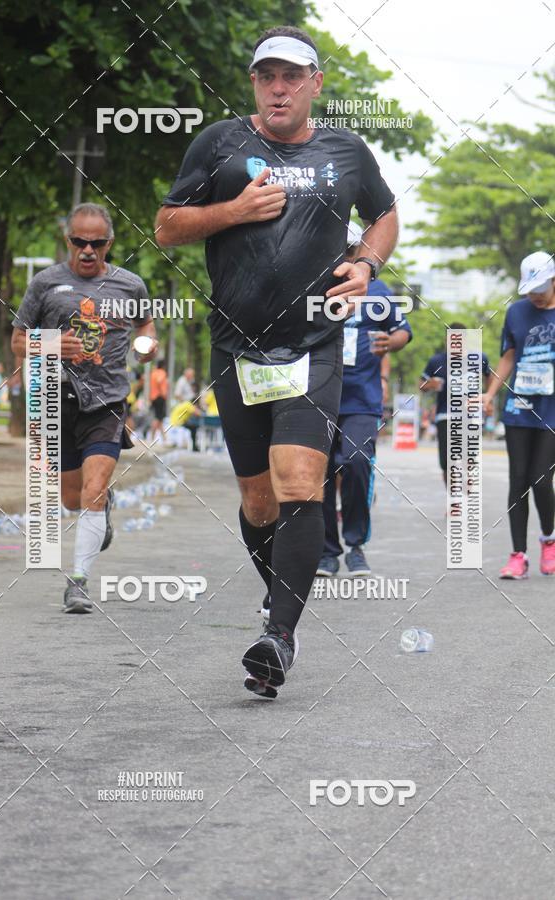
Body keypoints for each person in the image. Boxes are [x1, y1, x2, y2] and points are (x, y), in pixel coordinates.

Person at [155, 25, 398, 697]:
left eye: (293, 76)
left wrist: (366, 265)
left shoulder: (346, 151)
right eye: (268, 77)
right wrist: (233, 210)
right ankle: (280, 599)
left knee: (299, 482)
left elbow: (384, 215)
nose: (279, 88)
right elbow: (167, 225)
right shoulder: (219, 144)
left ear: (316, 83)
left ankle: (280, 637)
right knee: (259, 501)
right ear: (254, 84)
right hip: (236, 347)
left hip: (315, 344)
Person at [12, 202, 158, 612]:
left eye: (97, 243)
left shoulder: (130, 285)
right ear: (68, 240)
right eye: (79, 242)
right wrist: (51, 343)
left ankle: (77, 582)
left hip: (106, 401)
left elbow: (146, 326)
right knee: (73, 498)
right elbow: (18, 341)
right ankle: (103, 507)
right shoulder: (46, 283)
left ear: (109, 243)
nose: (88, 250)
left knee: (93, 489)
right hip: (56, 402)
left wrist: (147, 346)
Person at [316, 221, 412, 578]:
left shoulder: (379, 291)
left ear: (360, 250)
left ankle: (356, 545)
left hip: (361, 399)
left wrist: (391, 342)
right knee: (319, 475)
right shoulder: (314, 287)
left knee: (356, 462)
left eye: (349, 249)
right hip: (317, 398)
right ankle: (327, 552)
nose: (343, 256)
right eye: (337, 249)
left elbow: (402, 331)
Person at [483, 251, 555, 578]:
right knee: (519, 480)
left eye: (540, 289)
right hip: (520, 407)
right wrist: (489, 394)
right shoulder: (516, 312)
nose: (535, 296)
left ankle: (548, 540)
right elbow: (508, 357)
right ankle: (518, 555)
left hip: (551, 409)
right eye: (530, 290)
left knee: (541, 479)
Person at [420, 322, 490, 487]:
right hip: (446, 416)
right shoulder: (436, 361)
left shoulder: (479, 358)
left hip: (471, 416)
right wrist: (430, 384)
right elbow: (421, 385)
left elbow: (490, 377)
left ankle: (467, 493)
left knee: (468, 459)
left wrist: (488, 398)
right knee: (447, 463)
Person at [149, 360, 168, 442]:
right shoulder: (162, 373)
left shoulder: (153, 373)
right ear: (163, 366)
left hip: (153, 397)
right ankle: (152, 437)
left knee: (159, 418)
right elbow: (160, 381)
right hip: (159, 397)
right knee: (158, 418)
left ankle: (164, 438)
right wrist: (164, 394)